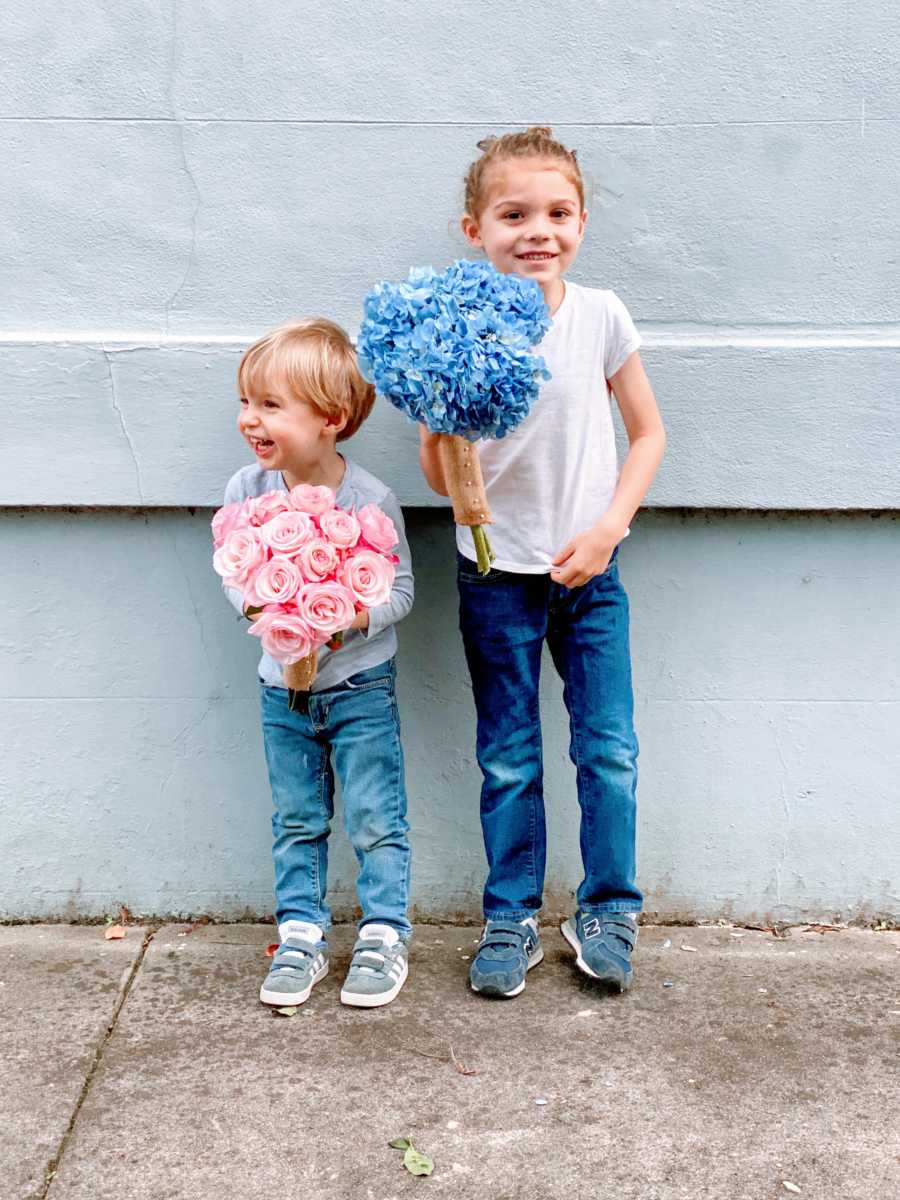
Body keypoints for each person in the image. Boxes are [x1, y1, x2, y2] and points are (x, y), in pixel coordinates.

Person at [418, 127, 666, 996]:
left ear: (582, 222)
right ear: (473, 228)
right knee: (509, 756)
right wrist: (444, 413)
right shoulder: (457, 326)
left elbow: (648, 434)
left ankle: (609, 908)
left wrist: (607, 530)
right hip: (496, 578)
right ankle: (509, 915)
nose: (538, 230)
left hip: (591, 575)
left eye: (558, 213)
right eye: (514, 213)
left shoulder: (601, 316)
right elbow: (437, 469)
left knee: (609, 751)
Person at [220, 318, 414, 1008]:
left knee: (374, 815)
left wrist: (344, 614)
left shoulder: (368, 499)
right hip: (282, 692)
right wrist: (270, 612)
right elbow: (234, 573)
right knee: (298, 816)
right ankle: (300, 934)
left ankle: (384, 935)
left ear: (330, 419)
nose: (250, 419)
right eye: (246, 402)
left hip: (360, 687)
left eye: (270, 405)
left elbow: (401, 591)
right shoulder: (247, 489)